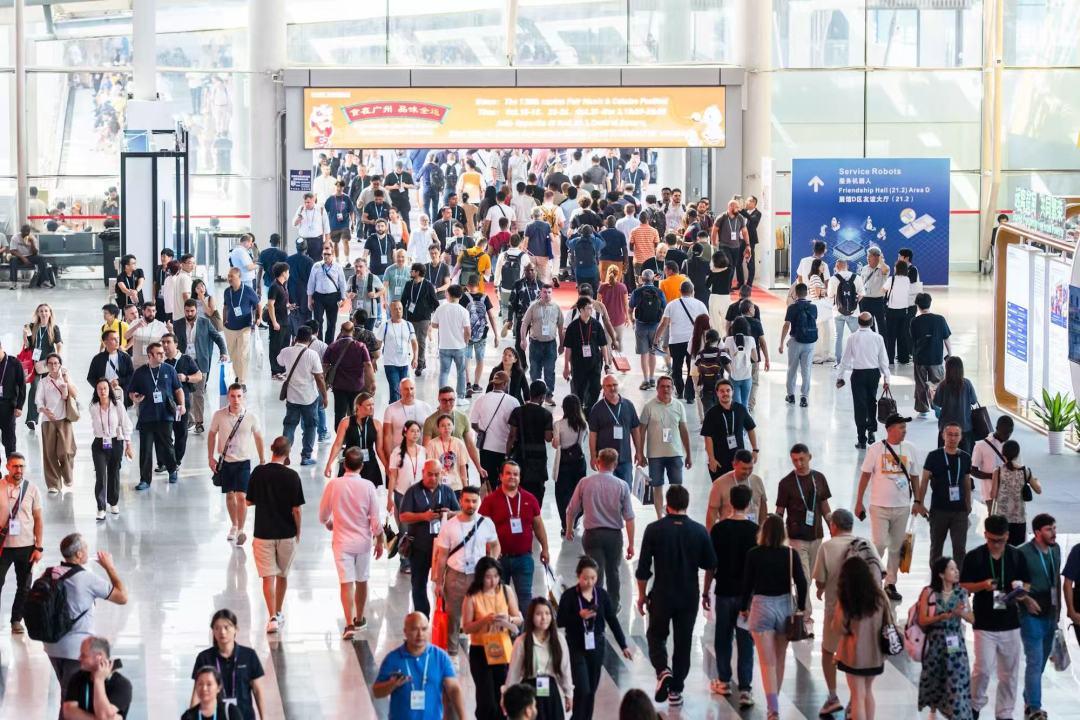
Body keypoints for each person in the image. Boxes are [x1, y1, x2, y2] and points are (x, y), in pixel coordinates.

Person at [635, 485, 717, 708]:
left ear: (666, 504)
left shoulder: (654, 529)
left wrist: (641, 595)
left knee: (655, 635)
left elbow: (643, 569)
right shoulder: (699, 531)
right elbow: (710, 565)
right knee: (683, 642)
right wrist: (706, 592)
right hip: (688, 595)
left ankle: (663, 670)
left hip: (662, 593)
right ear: (687, 504)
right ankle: (676, 690)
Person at [960, 514, 1039, 720]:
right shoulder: (975, 556)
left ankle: (1005, 713)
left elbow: (1027, 583)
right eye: (992, 540)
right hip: (984, 623)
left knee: (1009, 673)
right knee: (982, 669)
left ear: (1007, 536)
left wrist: (1021, 591)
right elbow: (963, 586)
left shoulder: (1016, 556)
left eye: (1001, 540)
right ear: (985, 534)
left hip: (1011, 623)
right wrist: (982, 585)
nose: (996, 544)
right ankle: (974, 704)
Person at [811, 510, 884, 715]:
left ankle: (833, 697)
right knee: (857, 654)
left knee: (828, 651)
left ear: (833, 526)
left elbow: (820, 581)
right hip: (865, 614)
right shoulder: (866, 544)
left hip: (837, 610)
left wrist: (821, 587)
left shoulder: (827, 547)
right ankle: (854, 700)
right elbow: (881, 573)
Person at [43, 533, 128, 694]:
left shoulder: (49, 573)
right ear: (79, 554)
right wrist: (109, 567)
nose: (88, 551)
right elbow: (122, 597)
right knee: (73, 697)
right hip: (76, 650)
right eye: (86, 548)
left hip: (51, 646)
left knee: (67, 690)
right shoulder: (87, 579)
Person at [741, 514, 807, 720]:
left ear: (763, 532)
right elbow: (802, 582)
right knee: (779, 659)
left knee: (766, 662)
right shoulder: (790, 554)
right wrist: (801, 608)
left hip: (761, 606)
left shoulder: (754, 554)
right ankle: (774, 703)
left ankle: (773, 709)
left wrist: (744, 607)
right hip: (785, 607)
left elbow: (747, 584)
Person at [557, 555, 633, 720]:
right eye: (585, 578)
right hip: (576, 646)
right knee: (582, 688)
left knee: (591, 690)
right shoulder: (569, 596)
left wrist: (623, 645)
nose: (589, 582)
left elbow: (612, 620)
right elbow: (560, 621)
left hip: (597, 646)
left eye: (593, 578)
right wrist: (579, 616)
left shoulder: (602, 595)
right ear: (578, 576)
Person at [319, 446, 384, 639]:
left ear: (344, 464)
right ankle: (360, 618)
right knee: (362, 580)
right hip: (363, 542)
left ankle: (348, 624)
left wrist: (329, 523)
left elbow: (323, 515)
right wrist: (380, 540)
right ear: (362, 466)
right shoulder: (368, 486)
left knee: (346, 583)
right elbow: (375, 520)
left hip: (341, 542)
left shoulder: (334, 485)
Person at [701, 484, 758, 705]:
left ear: (730, 503)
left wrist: (706, 591)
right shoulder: (755, 531)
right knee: (745, 641)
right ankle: (745, 689)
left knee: (723, 637)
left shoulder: (718, 529)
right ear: (749, 503)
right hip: (746, 595)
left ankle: (724, 680)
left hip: (724, 591)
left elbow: (711, 564)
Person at [854, 413, 919, 601]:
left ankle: (890, 583)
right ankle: (872, 579)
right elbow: (865, 476)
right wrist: (859, 501)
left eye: (905, 428)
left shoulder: (910, 449)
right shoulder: (875, 449)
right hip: (879, 506)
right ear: (889, 429)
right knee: (880, 543)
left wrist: (918, 501)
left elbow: (915, 476)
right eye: (901, 427)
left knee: (896, 546)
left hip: (902, 507)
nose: (904, 431)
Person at [433, 486, 501, 656]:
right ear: (460, 501)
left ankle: (485, 653)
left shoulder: (486, 523)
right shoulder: (450, 526)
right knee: (453, 616)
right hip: (456, 576)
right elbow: (442, 556)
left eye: (474, 501)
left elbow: (495, 545)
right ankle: (452, 653)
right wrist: (439, 582)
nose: (471, 505)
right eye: (467, 501)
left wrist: (491, 564)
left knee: (484, 614)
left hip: (479, 577)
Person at [565, 447, 635, 611]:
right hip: (614, 536)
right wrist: (631, 544)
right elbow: (629, 518)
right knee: (613, 572)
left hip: (592, 535)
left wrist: (569, 529)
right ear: (615, 464)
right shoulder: (622, 485)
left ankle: (595, 605)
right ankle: (613, 606)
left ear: (598, 462)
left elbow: (571, 510)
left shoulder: (585, 483)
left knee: (595, 571)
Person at [247, 436, 304, 634]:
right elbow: (297, 510)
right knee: (282, 574)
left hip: (263, 532)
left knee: (267, 577)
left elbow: (248, 501)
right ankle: (279, 611)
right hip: (286, 533)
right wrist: (298, 531)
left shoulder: (259, 472)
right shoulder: (293, 476)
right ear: (288, 454)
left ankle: (271, 617)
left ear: (272, 449)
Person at [775, 443, 833, 618]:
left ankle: (800, 603)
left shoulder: (819, 478)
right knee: (804, 577)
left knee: (810, 576)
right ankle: (805, 613)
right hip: (796, 537)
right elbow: (780, 510)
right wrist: (775, 534)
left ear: (809, 457)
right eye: (795, 460)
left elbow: (824, 504)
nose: (799, 463)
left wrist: (833, 527)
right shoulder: (786, 483)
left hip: (816, 535)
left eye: (802, 459)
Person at [479, 461, 550, 606]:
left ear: (520, 477)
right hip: (498, 559)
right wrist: (488, 551)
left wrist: (545, 548)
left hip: (523, 558)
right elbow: (481, 529)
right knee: (499, 599)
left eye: (516, 474)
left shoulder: (530, 499)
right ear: (501, 476)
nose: (512, 477)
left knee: (525, 598)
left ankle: (525, 622)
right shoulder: (490, 501)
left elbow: (538, 525)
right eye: (508, 473)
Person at [373, 612, 466, 720]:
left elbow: (454, 689)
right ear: (405, 632)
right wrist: (392, 684)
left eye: (424, 629)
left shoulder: (440, 657)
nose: (420, 634)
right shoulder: (393, 659)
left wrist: (463, 718)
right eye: (414, 629)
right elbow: (376, 692)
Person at [461, 556, 522, 718]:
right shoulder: (472, 596)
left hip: (502, 647)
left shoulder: (506, 591)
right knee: (485, 698)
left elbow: (519, 618)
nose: (493, 581)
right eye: (488, 577)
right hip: (480, 650)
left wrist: (508, 619)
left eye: (496, 576)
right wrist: (484, 621)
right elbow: (466, 628)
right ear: (481, 577)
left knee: (501, 694)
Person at [400, 459, 461, 618]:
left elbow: (460, 514)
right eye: (430, 474)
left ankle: (444, 618)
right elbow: (403, 516)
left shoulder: (447, 491)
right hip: (420, 547)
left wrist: (450, 514)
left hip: (444, 549)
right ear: (423, 473)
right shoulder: (413, 491)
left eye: (436, 475)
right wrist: (423, 516)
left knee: (445, 585)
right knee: (419, 584)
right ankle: (422, 618)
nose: (433, 478)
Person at [916, 556, 974, 720]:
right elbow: (922, 620)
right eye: (952, 569)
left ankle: (956, 712)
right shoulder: (929, 593)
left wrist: (961, 613)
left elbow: (972, 618)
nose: (956, 572)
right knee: (935, 677)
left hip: (955, 642)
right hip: (935, 642)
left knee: (955, 676)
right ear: (941, 574)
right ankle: (934, 709)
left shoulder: (961, 593)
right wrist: (941, 617)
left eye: (956, 569)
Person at [208, 383, 266, 546]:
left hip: (243, 462)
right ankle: (233, 525)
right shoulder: (219, 415)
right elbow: (211, 435)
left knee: (241, 496)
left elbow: (258, 438)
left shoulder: (251, 417)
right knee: (229, 495)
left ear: (243, 397)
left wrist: (262, 460)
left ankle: (241, 529)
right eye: (233, 396)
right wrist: (210, 457)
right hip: (226, 461)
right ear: (228, 397)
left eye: (239, 396)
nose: (236, 400)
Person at [833, 557, 888, 720]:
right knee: (868, 691)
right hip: (875, 654)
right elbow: (888, 621)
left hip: (853, 655)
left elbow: (839, 626)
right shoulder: (879, 596)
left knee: (857, 695)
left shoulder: (846, 597)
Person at [1017, 513, 1060, 719]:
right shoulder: (1022, 553)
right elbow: (1012, 583)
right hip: (1030, 614)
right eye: (1049, 529)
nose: (1054, 533)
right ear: (1037, 532)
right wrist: (1026, 600)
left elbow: (1056, 581)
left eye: (1054, 528)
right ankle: (1034, 707)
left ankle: (1029, 696)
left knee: (1041, 662)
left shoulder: (1056, 550)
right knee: (1034, 661)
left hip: (1050, 613)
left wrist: (1058, 613)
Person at [914, 422, 973, 570]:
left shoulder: (965, 457)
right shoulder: (934, 456)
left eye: (956, 435)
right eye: (949, 434)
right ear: (943, 436)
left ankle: (958, 578)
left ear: (961, 437)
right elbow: (924, 481)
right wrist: (919, 502)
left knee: (960, 548)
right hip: (939, 510)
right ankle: (936, 578)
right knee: (936, 547)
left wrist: (968, 503)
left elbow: (966, 482)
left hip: (960, 510)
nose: (952, 438)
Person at [189, 609, 266, 720]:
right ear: (213, 631)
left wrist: (263, 718)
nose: (222, 632)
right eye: (217, 628)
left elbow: (257, 690)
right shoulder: (204, 658)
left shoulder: (249, 655)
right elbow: (197, 693)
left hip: (244, 716)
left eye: (226, 627)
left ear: (235, 629)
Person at [505, 597, 574, 718]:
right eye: (538, 614)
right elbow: (513, 674)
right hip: (530, 694)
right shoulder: (522, 642)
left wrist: (569, 694)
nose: (544, 618)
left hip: (551, 692)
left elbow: (565, 669)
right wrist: (506, 698)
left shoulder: (559, 639)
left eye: (547, 613)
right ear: (531, 616)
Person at [637, 375, 691, 519]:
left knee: (676, 487)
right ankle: (659, 518)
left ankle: (674, 514)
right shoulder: (649, 406)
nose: (666, 389)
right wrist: (640, 453)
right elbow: (641, 431)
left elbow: (684, 431)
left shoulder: (679, 406)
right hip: (655, 455)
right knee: (657, 487)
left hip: (675, 453)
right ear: (657, 388)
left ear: (672, 389)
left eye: (668, 386)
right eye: (662, 386)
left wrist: (688, 454)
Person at [0, 454, 42, 633]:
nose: (19, 470)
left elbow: (38, 519)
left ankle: (16, 620)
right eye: (15, 466)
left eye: (22, 466)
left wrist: (39, 546)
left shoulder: (32, 489)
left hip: (26, 546)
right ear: (8, 467)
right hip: (3, 547)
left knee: (24, 586)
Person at [172, 299, 227, 433]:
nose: (190, 313)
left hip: (200, 362)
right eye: (187, 311)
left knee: (198, 393)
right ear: (184, 310)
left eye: (192, 311)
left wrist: (223, 352)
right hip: (184, 362)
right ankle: (189, 420)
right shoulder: (177, 324)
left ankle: (199, 422)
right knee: (185, 393)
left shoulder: (205, 322)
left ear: (196, 310)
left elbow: (218, 338)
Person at [836, 312, 891, 449]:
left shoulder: (852, 338)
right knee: (872, 402)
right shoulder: (878, 338)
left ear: (858, 323)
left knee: (859, 406)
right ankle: (871, 431)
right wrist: (887, 378)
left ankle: (861, 439)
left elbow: (845, 359)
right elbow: (883, 360)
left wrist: (840, 377)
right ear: (872, 323)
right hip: (873, 374)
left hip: (858, 375)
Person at [276, 326, 328, 466]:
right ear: (310, 339)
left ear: (296, 338)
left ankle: (284, 454)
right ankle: (306, 457)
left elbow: (279, 361)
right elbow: (319, 378)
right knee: (310, 426)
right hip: (309, 397)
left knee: (289, 425)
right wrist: (324, 396)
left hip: (292, 397)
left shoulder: (286, 351)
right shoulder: (312, 354)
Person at [653, 281, 708, 403]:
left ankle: (679, 390)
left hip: (676, 340)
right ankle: (690, 395)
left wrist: (656, 339)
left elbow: (664, 324)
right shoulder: (700, 305)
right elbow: (706, 325)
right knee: (691, 367)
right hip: (694, 340)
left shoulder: (672, 305)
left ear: (680, 291)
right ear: (693, 291)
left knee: (677, 366)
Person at [587, 375, 642, 487]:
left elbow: (635, 430)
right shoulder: (597, 409)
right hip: (605, 461)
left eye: (615, 385)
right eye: (609, 386)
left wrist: (639, 451)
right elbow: (593, 435)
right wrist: (593, 456)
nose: (612, 388)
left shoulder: (628, 405)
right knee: (607, 491)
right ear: (603, 387)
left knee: (626, 489)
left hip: (625, 458)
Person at [88, 379, 132, 519]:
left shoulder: (117, 405)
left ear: (109, 390)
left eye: (105, 388)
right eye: (100, 388)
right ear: (96, 391)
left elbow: (126, 424)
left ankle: (113, 502)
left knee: (114, 473)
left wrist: (128, 444)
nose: (102, 391)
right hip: (99, 443)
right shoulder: (93, 407)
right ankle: (101, 508)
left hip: (115, 442)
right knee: (101, 475)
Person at [506, 380, 555, 504]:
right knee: (536, 493)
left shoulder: (517, 411)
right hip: (538, 459)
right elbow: (548, 438)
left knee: (519, 490)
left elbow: (512, 436)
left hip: (521, 456)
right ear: (543, 397)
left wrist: (507, 455)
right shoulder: (546, 414)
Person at [61, 637, 132, 720]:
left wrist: (99, 680)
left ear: (99, 657)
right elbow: (68, 712)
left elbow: (104, 716)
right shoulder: (78, 677)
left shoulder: (122, 684)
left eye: (84, 655)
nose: (79, 658)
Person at [470, 370, 520, 489]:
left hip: (485, 447)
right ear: (505, 384)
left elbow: (473, 424)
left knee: (487, 482)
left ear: (494, 383)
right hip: (505, 448)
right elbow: (516, 428)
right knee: (504, 482)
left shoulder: (481, 399)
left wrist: (482, 432)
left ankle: (488, 500)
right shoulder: (513, 401)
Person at [700, 379, 758, 479]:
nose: (725, 393)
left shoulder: (740, 409)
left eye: (728, 390)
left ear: (732, 392)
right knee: (721, 488)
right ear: (717, 393)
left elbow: (751, 428)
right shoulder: (711, 413)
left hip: (739, 460)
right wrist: (711, 459)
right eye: (722, 391)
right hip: (719, 461)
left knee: (740, 487)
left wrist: (755, 450)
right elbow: (707, 437)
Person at [36, 352, 78, 493]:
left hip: (65, 419)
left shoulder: (65, 378)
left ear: (60, 365)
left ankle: (67, 475)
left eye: (56, 363)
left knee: (66, 450)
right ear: (47, 366)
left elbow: (74, 394)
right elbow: (38, 400)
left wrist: (66, 381)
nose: (53, 366)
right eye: (50, 363)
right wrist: (44, 410)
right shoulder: (43, 382)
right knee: (49, 453)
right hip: (48, 420)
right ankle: (53, 484)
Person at [325, 392, 383, 487]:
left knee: (368, 492)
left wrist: (387, 466)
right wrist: (329, 464)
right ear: (358, 406)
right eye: (368, 405)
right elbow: (338, 444)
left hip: (369, 464)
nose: (372, 407)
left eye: (373, 404)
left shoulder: (377, 424)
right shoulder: (345, 422)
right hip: (350, 463)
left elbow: (380, 449)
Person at [990, 440, 1041, 545]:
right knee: (1017, 549)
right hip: (1019, 518)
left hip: (1002, 519)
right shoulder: (1025, 471)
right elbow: (1038, 490)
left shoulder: (998, 471)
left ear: (1003, 454)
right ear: (1017, 454)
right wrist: (1037, 481)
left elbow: (993, 495)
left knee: (1002, 549)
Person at [561, 298, 609, 410]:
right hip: (578, 365)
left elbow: (603, 345)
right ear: (581, 310)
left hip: (594, 363)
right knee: (579, 390)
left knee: (596, 388)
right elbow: (568, 348)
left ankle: (590, 409)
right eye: (588, 308)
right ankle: (580, 410)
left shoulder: (596, 325)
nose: (591, 310)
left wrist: (607, 363)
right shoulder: (573, 327)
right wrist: (566, 367)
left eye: (592, 308)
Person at [520, 284, 564, 404]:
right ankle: (536, 396)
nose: (547, 294)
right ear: (540, 293)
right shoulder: (533, 306)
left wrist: (562, 344)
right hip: (536, 344)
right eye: (544, 292)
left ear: (552, 293)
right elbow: (524, 323)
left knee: (550, 371)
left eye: (549, 292)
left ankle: (548, 396)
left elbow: (561, 327)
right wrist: (523, 339)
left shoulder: (556, 308)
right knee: (535, 371)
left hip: (551, 345)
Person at [910, 292, 952, 416]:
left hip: (920, 358)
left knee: (920, 384)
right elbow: (946, 339)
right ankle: (939, 405)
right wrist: (950, 355)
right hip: (936, 358)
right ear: (930, 303)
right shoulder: (940, 319)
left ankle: (922, 409)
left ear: (917, 305)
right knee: (938, 383)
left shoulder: (914, 321)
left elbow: (913, 339)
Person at [23, 302, 63, 430]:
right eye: (41, 311)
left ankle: (51, 416)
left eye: (46, 311)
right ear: (38, 313)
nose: (44, 313)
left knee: (49, 389)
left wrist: (57, 359)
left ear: (50, 313)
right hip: (35, 364)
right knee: (34, 388)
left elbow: (59, 344)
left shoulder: (54, 328)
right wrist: (25, 336)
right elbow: (28, 345)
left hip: (49, 364)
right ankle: (32, 419)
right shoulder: (32, 327)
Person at [324, 321, 375, 422]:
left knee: (339, 413)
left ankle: (340, 430)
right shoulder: (361, 346)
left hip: (339, 386)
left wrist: (323, 385)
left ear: (341, 331)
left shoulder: (333, 346)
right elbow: (368, 365)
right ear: (353, 331)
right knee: (356, 412)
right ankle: (354, 430)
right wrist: (372, 382)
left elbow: (325, 366)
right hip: (356, 386)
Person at [160, 333, 197, 467]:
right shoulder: (161, 361)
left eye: (168, 342)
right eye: (163, 342)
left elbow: (198, 376)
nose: (165, 345)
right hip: (164, 403)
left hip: (181, 403)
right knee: (164, 433)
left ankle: (176, 460)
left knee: (180, 432)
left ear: (175, 344)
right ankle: (165, 461)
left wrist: (186, 378)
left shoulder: (186, 359)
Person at [778, 282, 817, 407]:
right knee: (806, 370)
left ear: (795, 293)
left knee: (792, 369)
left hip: (795, 341)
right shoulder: (813, 307)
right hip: (809, 342)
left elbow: (786, 325)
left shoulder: (792, 308)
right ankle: (804, 397)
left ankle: (790, 395)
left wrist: (781, 343)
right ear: (807, 293)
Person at [221, 267, 261, 387]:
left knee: (243, 354)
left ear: (239, 277)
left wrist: (259, 318)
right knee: (233, 355)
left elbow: (258, 304)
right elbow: (225, 307)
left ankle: (242, 382)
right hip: (230, 328)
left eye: (231, 276)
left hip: (245, 327)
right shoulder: (227, 291)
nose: (229, 278)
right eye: (228, 276)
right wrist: (224, 321)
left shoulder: (248, 290)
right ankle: (238, 376)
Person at [931, 356, 979, 451]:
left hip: (946, 427)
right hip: (964, 427)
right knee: (965, 456)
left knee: (945, 455)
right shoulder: (967, 383)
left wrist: (932, 395)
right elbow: (974, 401)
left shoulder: (943, 385)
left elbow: (937, 403)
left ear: (947, 369)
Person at [627, 269, 665, 389]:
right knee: (652, 352)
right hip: (655, 327)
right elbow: (664, 309)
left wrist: (632, 321)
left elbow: (630, 309)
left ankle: (646, 380)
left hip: (641, 326)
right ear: (653, 279)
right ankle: (653, 378)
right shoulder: (659, 292)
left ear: (641, 279)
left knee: (644, 354)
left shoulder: (637, 292)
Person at [432, 284, 471, 398]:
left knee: (444, 372)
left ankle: (442, 396)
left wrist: (443, 324)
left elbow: (434, 325)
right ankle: (460, 396)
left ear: (447, 294)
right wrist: (466, 342)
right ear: (460, 296)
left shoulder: (441, 308)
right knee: (461, 372)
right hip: (459, 346)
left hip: (444, 346)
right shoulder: (464, 311)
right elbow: (468, 330)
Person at [400, 263, 439, 377]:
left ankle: (420, 364)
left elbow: (435, 302)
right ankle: (422, 360)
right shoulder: (409, 284)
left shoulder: (428, 285)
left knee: (421, 340)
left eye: (412, 270)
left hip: (424, 318)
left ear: (417, 272)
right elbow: (403, 300)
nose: (411, 272)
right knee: (413, 340)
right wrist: (401, 315)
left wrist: (428, 311)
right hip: (410, 317)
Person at [971, 415, 1014, 513]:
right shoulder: (981, 445)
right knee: (994, 519)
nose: (1007, 436)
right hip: (990, 493)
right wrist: (993, 476)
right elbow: (973, 470)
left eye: (1009, 433)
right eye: (1004, 433)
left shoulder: (1011, 445)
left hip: (1009, 490)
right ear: (997, 428)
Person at [307, 244, 348, 344]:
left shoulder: (338, 267)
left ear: (333, 255)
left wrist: (344, 298)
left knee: (331, 322)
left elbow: (342, 283)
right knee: (318, 322)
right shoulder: (316, 266)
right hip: (319, 297)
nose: (326, 256)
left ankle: (329, 345)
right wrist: (309, 299)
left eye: (328, 254)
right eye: (324, 254)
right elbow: (311, 283)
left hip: (333, 297)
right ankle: (319, 343)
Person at [827, 258, 863, 364]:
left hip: (837, 312)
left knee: (838, 337)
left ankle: (838, 362)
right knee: (856, 336)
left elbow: (830, 295)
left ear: (837, 267)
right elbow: (861, 294)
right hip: (853, 312)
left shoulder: (833, 279)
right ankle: (858, 360)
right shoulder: (857, 277)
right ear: (847, 266)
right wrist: (854, 303)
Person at [425, 414, 469, 494]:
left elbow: (463, 467)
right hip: (438, 486)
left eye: (449, 425)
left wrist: (465, 488)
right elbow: (430, 467)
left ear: (453, 427)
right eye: (443, 425)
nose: (446, 428)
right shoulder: (432, 444)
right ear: (438, 428)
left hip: (457, 486)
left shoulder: (459, 443)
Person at [0, 339, 27, 459]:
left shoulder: (14, 363)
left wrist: (19, 406)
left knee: (9, 440)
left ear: (1, 348)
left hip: (8, 407)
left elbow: (22, 386)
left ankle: (11, 466)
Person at [722, 319, 756, 408]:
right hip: (747, 375)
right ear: (747, 328)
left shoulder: (728, 340)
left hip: (734, 375)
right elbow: (755, 358)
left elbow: (725, 357)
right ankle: (746, 417)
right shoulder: (751, 339)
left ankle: (738, 417)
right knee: (745, 403)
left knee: (737, 404)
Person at [883, 259, 912, 364]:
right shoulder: (907, 280)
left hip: (891, 311)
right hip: (904, 311)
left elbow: (883, 290)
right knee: (902, 335)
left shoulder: (891, 279)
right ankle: (903, 358)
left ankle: (889, 358)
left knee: (890, 336)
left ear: (897, 268)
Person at [858, 247, 889, 335]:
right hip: (865, 300)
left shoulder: (883, 268)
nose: (867, 258)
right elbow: (861, 283)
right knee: (868, 325)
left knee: (882, 324)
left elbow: (886, 270)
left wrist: (880, 260)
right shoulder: (864, 268)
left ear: (877, 257)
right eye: (867, 256)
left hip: (878, 301)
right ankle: (870, 341)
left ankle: (883, 342)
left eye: (870, 256)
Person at [294, 192, 331, 262]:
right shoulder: (301, 208)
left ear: (313, 200)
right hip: (303, 240)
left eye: (308, 202)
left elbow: (326, 226)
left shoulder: (320, 209)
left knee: (316, 261)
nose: (306, 204)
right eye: (305, 202)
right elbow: (294, 224)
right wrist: (299, 218)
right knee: (302, 261)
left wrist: (327, 242)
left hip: (316, 240)